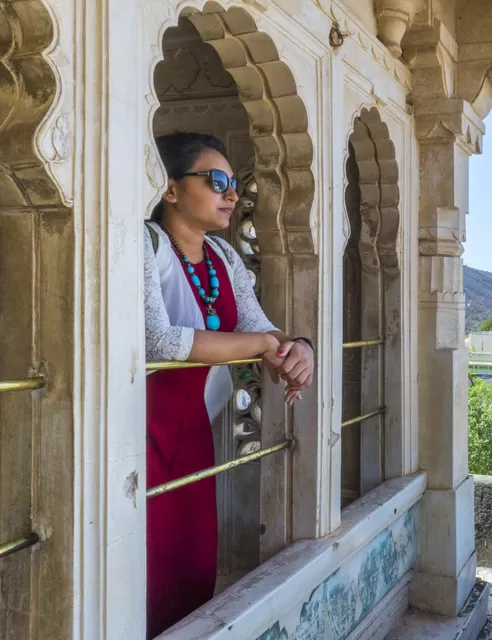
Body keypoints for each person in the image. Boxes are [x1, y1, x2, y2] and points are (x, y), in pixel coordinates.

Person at [143, 133, 314, 638]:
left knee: (192, 562)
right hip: (138, 431)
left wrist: (296, 347)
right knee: (144, 565)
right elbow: (158, 341)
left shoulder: (222, 256)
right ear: (170, 189)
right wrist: (262, 343)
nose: (232, 194)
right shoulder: (144, 244)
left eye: (233, 183)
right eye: (215, 181)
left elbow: (260, 326)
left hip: (193, 430)